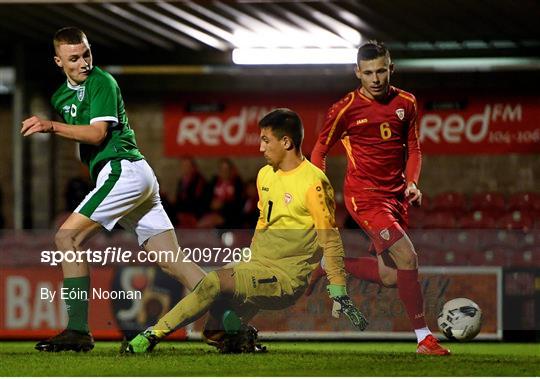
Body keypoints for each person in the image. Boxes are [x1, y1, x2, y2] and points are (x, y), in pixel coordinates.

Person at [21, 27, 205, 352]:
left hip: (124, 170)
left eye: (86, 54)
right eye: (74, 58)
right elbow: (84, 142)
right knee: (171, 260)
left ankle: (78, 330)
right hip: (132, 175)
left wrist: (51, 125)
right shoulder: (60, 97)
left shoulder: (101, 81)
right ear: (58, 61)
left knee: (67, 237)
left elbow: (96, 135)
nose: (84, 63)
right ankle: (230, 323)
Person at [125, 108, 368, 354]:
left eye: (266, 140)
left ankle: (150, 336)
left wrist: (337, 286)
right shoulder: (265, 175)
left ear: (286, 142)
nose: (261, 148)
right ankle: (238, 338)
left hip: (284, 279)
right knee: (214, 329)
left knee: (212, 283)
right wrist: (249, 261)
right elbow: (263, 222)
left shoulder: (313, 183)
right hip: (257, 266)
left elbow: (330, 238)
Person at [309, 41, 450, 355]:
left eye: (381, 71)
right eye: (368, 72)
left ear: (391, 69)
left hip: (396, 196)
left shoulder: (407, 103)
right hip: (364, 197)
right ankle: (424, 338)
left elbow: (414, 150)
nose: (375, 78)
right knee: (408, 258)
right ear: (358, 73)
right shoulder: (344, 108)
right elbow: (319, 151)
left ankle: (331, 265)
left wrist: (412, 183)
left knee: (389, 276)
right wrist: (319, 191)